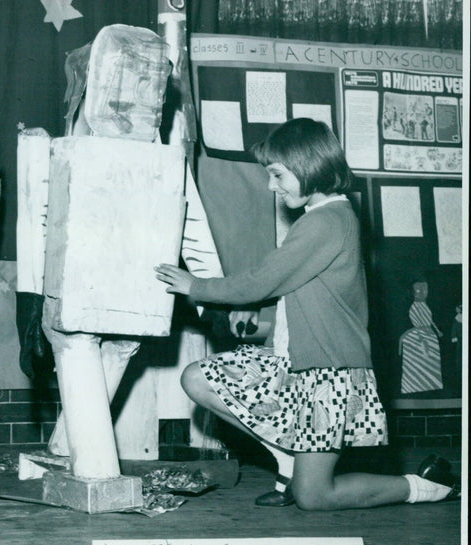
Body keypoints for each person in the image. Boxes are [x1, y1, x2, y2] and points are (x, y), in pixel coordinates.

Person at [155, 118, 459, 510]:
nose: (272, 186)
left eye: (278, 175)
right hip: (294, 365)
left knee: (314, 496)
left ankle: (428, 485)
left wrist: (194, 285)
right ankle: (286, 458)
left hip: (328, 376)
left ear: (308, 165)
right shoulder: (322, 218)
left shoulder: (327, 222)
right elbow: (291, 292)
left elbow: (261, 280)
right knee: (199, 379)